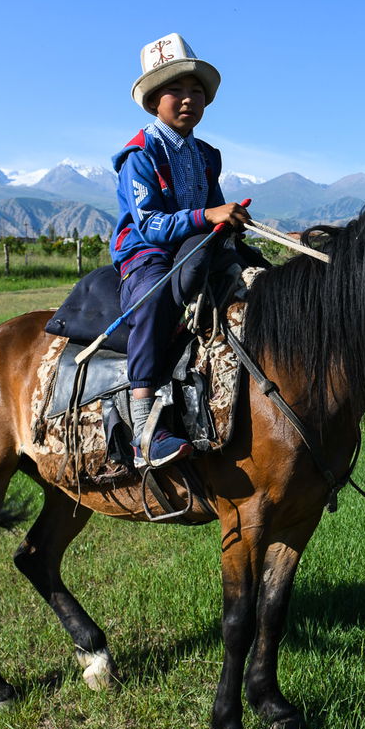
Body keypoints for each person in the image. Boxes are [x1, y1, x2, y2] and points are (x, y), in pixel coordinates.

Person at [110, 33, 251, 468]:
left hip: (195, 245)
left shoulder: (207, 155)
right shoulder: (140, 154)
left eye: (196, 91)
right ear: (154, 101)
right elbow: (150, 224)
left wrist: (231, 223)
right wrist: (208, 216)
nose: (188, 99)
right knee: (154, 298)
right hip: (146, 253)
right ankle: (143, 429)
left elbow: (215, 207)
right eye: (176, 90)